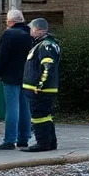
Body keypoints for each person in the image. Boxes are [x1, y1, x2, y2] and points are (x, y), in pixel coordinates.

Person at [0, 9, 32, 150]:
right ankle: (24, 138)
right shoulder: (30, 33)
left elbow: (3, 57)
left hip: (10, 76)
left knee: (12, 109)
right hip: (27, 75)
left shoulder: (8, 34)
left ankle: (10, 140)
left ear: (9, 21)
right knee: (25, 108)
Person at [23, 18, 61, 152]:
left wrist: (40, 85)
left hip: (40, 89)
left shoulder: (45, 45)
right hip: (42, 88)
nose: (30, 31)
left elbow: (48, 66)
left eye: (31, 29)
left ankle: (42, 143)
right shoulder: (44, 44)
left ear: (38, 30)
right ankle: (50, 142)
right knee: (46, 116)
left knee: (39, 116)